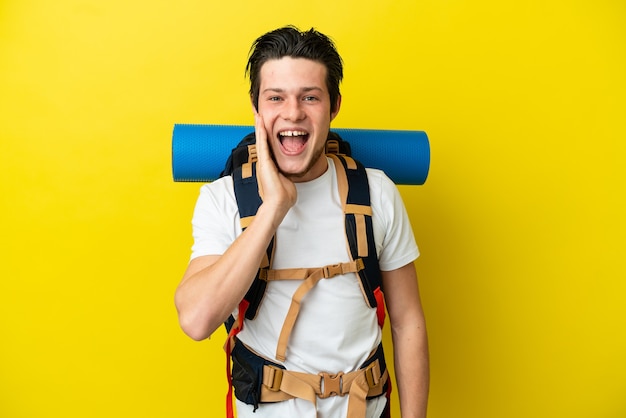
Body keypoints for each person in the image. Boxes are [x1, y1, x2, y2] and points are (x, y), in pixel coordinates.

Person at [175, 26, 429, 418]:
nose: (293, 113)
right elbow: (195, 320)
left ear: (334, 106)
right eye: (276, 98)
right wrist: (273, 208)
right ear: (257, 108)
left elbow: (408, 321)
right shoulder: (223, 198)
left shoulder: (376, 193)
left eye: (310, 97)